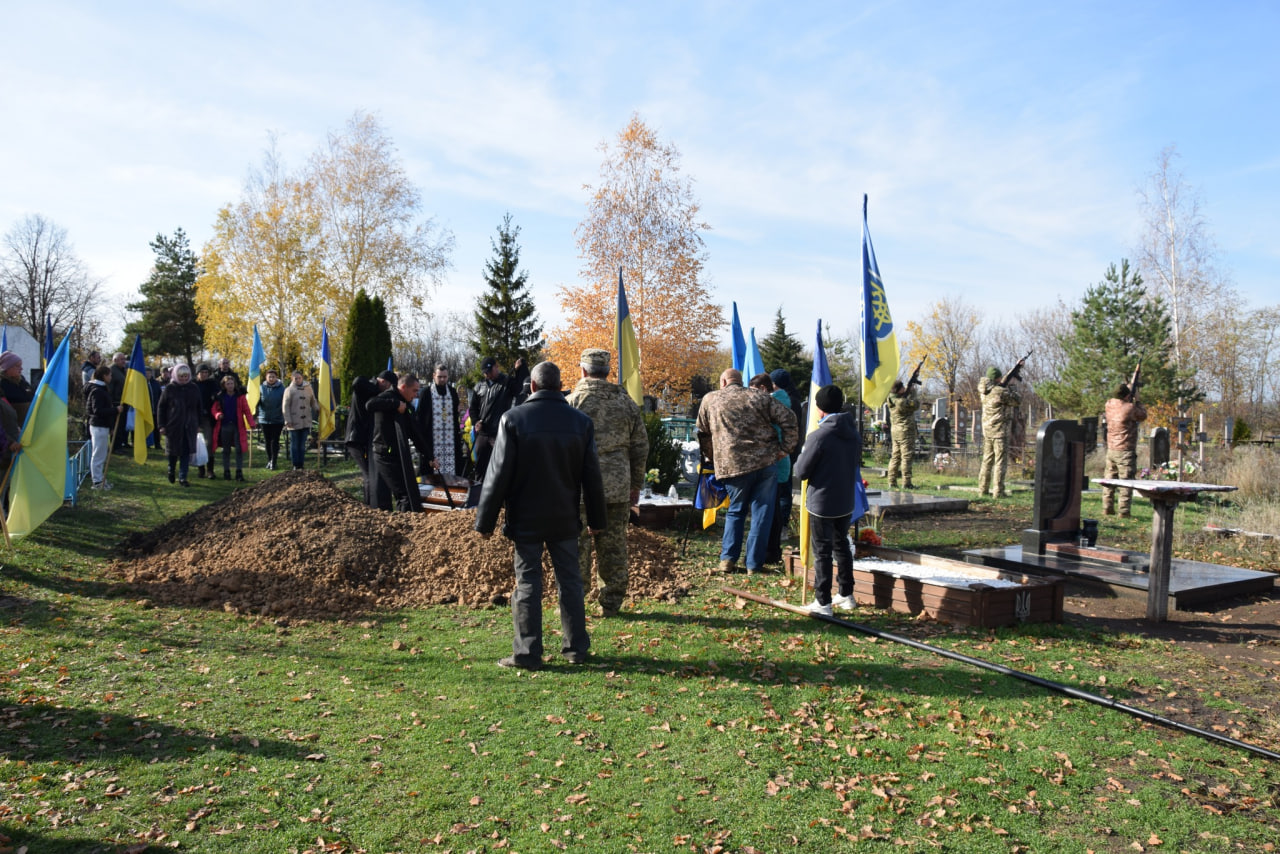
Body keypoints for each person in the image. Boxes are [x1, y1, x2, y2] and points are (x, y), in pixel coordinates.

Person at [474, 362, 607, 670]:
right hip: (564, 517)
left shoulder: (513, 419)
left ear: (531, 386)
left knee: (527, 583)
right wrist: (598, 521)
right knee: (571, 582)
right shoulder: (580, 422)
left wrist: (485, 522)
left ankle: (527, 653)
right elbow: (592, 476)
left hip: (525, 519)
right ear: (560, 386)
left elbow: (497, 475)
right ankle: (575, 649)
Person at [567, 348, 648, 618]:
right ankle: (611, 604)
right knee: (613, 547)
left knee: (576, 548)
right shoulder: (626, 402)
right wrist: (635, 484)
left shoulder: (571, 402)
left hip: (577, 488)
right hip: (617, 486)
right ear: (608, 371)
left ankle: (574, 604)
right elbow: (640, 447)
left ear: (582, 370)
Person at [696, 368, 798, 574]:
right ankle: (753, 564)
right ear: (740, 382)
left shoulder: (710, 400)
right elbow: (789, 420)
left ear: (723, 382)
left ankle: (728, 559)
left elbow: (702, 433)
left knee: (736, 511)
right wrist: (784, 449)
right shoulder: (760, 397)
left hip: (732, 464)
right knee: (762, 514)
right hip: (765, 462)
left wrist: (714, 457)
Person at [794, 385, 863, 616]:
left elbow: (801, 472)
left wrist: (800, 458)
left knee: (822, 551)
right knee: (841, 545)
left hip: (822, 502)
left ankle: (823, 602)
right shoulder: (853, 432)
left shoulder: (819, 436)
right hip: (845, 499)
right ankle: (846, 594)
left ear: (819, 408)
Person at [367, 373, 428, 512]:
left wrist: (430, 457)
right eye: (414, 390)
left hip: (399, 454)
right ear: (404, 387)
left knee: (410, 493)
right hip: (384, 454)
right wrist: (395, 404)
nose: (416, 395)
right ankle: (404, 527)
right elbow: (370, 404)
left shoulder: (407, 406)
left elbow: (415, 434)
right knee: (403, 495)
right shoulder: (388, 397)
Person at [750, 373, 793, 564]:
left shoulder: (774, 403)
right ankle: (770, 550)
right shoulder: (778, 400)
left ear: (763, 389)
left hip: (773, 460)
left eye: (754, 392)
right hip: (775, 459)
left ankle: (771, 551)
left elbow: (786, 430)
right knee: (772, 506)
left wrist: (782, 451)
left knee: (772, 508)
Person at [468, 355, 528, 483]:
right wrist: (475, 421)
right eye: (485, 373)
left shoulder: (507, 382)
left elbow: (520, 389)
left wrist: (519, 370)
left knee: (500, 468)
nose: (488, 375)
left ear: (496, 367)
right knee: (480, 469)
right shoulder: (479, 387)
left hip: (499, 434)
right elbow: (472, 409)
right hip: (482, 433)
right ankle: (479, 497)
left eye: (490, 371)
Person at [347, 369, 395, 509]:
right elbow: (357, 382)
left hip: (364, 439)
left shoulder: (373, 390)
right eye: (389, 386)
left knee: (370, 474)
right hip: (356, 438)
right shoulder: (366, 386)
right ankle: (369, 507)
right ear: (383, 382)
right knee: (369, 475)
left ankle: (370, 505)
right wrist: (378, 391)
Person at [1103, 382, 1148, 517]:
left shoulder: (1109, 404)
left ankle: (1107, 508)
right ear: (1127, 396)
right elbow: (1143, 415)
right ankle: (1123, 511)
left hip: (1111, 448)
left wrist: (1129, 390)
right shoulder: (1130, 408)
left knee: (1109, 480)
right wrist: (1138, 400)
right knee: (1126, 481)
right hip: (1125, 450)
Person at [977, 367, 1021, 498]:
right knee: (1000, 462)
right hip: (1000, 432)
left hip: (987, 431)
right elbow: (1017, 400)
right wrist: (1012, 388)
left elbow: (999, 387)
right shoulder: (1000, 392)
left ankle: (982, 489)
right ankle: (998, 491)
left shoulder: (984, 390)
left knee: (986, 461)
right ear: (997, 378)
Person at [415, 363, 465, 479]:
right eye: (440, 377)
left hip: (450, 441)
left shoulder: (452, 392)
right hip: (431, 439)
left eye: (445, 377)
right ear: (434, 376)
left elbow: (455, 413)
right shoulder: (426, 393)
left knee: (453, 471)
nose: (443, 379)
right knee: (430, 474)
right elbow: (420, 417)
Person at [156, 364, 202, 486]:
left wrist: (198, 424)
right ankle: (171, 470)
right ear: (176, 375)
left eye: (186, 376)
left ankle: (183, 477)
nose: (183, 379)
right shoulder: (170, 388)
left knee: (185, 453)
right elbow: (161, 407)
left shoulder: (194, 388)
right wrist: (162, 425)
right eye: (181, 376)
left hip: (189, 425)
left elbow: (199, 407)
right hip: (173, 425)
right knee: (173, 451)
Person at [212, 374, 256, 481]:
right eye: (228, 384)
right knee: (226, 450)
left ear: (235, 384)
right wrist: (218, 415)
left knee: (239, 449)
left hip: (238, 426)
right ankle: (226, 471)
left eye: (232, 383)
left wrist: (252, 423)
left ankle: (239, 472)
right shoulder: (220, 396)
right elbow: (214, 409)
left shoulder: (240, 396)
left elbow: (247, 411)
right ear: (224, 385)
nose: (230, 386)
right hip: (225, 425)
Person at [84, 364, 120, 490]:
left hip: (102, 425)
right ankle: (97, 482)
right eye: (109, 375)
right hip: (98, 425)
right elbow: (97, 410)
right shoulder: (97, 390)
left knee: (101, 454)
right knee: (98, 454)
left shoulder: (102, 389)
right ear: (104, 376)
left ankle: (100, 479)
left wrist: (110, 426)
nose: (111, 377)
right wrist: (115, 410)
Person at [886, 378, 920, 489]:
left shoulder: (891, 399)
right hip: (905, 431)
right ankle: (906, 482)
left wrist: (907, 391)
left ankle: (891, 481)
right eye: (903, 387)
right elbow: (916, 404)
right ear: (899, 390)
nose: (905, 388)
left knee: (895, 457)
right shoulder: (901, 402)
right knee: (906, 457)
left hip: (895, 431)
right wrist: (913, 392)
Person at [282, 370, 319, 471]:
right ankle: (295, 464)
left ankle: (301, 464)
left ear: (302, 378)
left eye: (299, 378)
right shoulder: (289, 390)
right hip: (293, 422)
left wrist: (317, 409)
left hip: (305, 421)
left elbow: (313, 401)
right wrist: (287, 420)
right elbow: (285, 407)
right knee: (294, 444)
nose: (297, 380)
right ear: (292, 379)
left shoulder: (308, 389)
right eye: (295, 378)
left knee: (302, 445)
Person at [256, 369, 286, 470]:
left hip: (277, 419)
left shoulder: (282, 388)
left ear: (276, 377)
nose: (272, 378)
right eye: (270, 377)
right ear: (266, 378)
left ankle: (274, 461)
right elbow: (257, 402)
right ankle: (269, 460)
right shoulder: (261, 388)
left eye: (273, 377)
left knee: (275, 440)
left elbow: (285, 402)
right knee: (267, 441)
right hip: (264, 419)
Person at [193, 364, 218, 478]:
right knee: (199, 444)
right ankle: (201, 469)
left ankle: (210, 470)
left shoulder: (212, 384)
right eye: (202, 372)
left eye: (206, 373)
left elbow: (218, 394)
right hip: (195, 418)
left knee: (209, 444)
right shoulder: (193, 385)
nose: (204, 375)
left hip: (208, 418)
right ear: (197, 373)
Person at [0, 351, 34, 424]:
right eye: (17, 366)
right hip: (13, 429)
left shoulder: (22, 381)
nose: (21, 368)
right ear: (7, 367)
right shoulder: (2, 385)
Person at [109, 352, 129, 451]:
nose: (123, 361)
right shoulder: (112, 371)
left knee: (121, 426)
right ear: (115, 360)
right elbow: (110, 388)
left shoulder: (123, 371)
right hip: (116, 403)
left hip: (123, 402)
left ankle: (119, 444)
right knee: (116, 426)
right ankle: (115, 446)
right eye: (121, 359)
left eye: (124, 359)